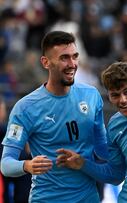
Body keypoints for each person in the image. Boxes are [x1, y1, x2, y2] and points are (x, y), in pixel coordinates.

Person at [0, 31, 108, 202]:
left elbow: (103, 149)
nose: (72, 64)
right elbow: (6, 164)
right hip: (47, 198)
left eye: (75, 56)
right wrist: (27, 165)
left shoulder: (92, 96)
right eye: (64, 58)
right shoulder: (25, 108)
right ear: (45, 62)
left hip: (88, 197)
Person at [57, 61, 127, 203]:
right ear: (109, 96)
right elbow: (116, 175)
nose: (122, 100)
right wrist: (82, 164)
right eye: (115, 95)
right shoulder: (114, 125)